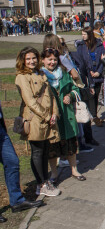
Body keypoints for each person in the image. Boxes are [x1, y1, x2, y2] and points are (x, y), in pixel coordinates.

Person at [15, 47, 60, 198]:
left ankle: (45, 181)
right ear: (22, 60)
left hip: (47, 118)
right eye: (28, 59)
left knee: (45, 150)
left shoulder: (41, 73)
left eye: (33, 58)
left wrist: (55, 113)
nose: (31, 61)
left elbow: (51, 96)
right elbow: (30, 101)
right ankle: (41, 184)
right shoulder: (22, 76)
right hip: (34, 119)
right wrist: (47, 116)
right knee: (37, 152)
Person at [41, 48, 86, 185]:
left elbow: (76, 89)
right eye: (49, 59)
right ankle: (54, 173)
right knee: (52, 147)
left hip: (66, 115)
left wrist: (70, 96)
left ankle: (74, 170)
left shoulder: (64, 74)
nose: (52, 62)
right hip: (51, 116)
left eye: (55, 59)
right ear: (43, 60)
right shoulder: (40, 76)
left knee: (71, 143)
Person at [75, 27, 105, 130]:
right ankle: (93, 116)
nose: (83, 36)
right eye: (82, 34)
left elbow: (103, 59)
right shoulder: (81, 46)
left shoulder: (99, 44)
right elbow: (80, 61)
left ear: (90, 35)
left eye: (84, 34)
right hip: (87, 75)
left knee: (95, 95)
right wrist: (88, 72)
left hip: (97, 74)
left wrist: (98, 72)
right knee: (90, 95)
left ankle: (94, 114)